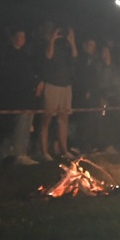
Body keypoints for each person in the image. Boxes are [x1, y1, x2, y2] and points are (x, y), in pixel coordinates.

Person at [0, 29, 40, 165]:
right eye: (20, 36)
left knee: (27, 124)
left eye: (24, 36)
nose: (22, 39)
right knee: (20, 125)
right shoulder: (9, 54)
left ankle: (24, 152)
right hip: (17, 95)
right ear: (13, 37)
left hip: (28, 95)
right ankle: (18, 154)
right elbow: (10, 76)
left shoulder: (24, 54)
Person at [38, 26, 77, 161]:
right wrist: (52, 40)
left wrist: (72, 41)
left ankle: (64, 150)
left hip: (66, 87)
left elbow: (74, 58)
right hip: (52, 86)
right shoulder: (46, 45)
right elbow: (48, 57)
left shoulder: (66, 46)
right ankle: (44, 152)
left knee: (63, 119)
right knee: (46, 120)